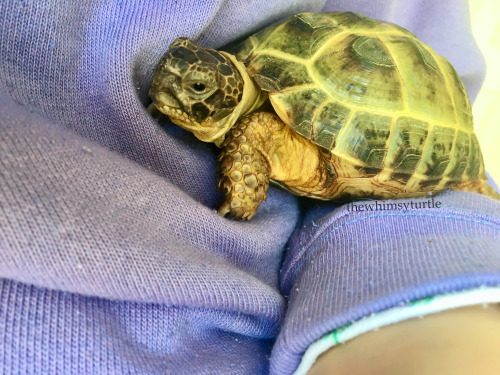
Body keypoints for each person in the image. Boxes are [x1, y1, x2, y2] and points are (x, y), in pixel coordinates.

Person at [0, 0, 499, 374]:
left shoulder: (257, 125)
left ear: (233, 92)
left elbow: (259, 130)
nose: (173, 85)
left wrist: (436, 295)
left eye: (198, 88)